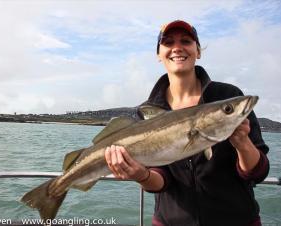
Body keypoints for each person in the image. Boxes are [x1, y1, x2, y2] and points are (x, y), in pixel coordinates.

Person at [104, 20, 269, 226]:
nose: (177, 47)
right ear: (159, 54)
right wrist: (141, 175)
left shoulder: (228, 95)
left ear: (198, 51)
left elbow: (259, 172)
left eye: (186, 41)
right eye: (168, 42)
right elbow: (161, 180)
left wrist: (243, 144)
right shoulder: (147, 113)